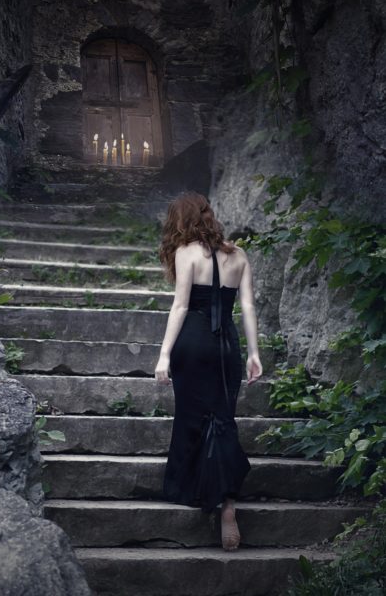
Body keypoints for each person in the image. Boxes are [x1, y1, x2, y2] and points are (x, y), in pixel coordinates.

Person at [154, 191, 263, 551]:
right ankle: (228, 501)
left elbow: (181, 305)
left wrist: (164, 355)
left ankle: (190, 488)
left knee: (191, 417)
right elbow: (247, 307)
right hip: (227, 347)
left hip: (193, 343)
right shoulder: (240, 255)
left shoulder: (187, 253)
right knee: (223, 419)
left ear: (182, 220)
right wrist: (253, 353)